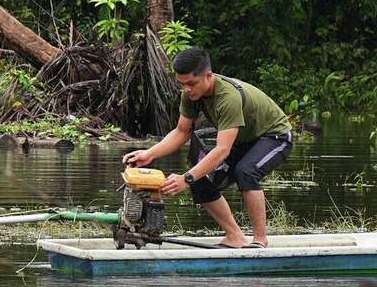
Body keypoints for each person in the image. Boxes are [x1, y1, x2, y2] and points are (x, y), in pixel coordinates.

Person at [121, 48, 293, 248]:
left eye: (191, 83)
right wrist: (149, 153)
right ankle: (234, 236)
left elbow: (222, 150)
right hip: (242, 140)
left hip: (274, 136)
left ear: (208, 76)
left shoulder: (228, 97)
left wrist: (185, 178)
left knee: (246, 172)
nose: (186, 89)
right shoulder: (190, 94)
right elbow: (181, 132)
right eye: (182, 84)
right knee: (199, 179)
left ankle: (260, 240)